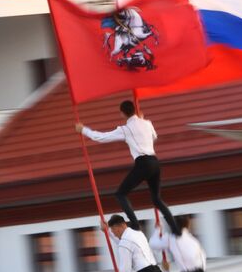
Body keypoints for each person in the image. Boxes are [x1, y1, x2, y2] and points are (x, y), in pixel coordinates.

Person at [76, 100, 180, 235]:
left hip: (143, 163)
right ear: (135, 110)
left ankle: (136, 227)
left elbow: (100, 137)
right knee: (157, 199)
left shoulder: (125, 129)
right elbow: (154, 136)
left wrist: (83, 129)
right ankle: (176, 230)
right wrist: (142, 122)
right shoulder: (147, 123)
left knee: (120, 194)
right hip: (154, 162)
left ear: (122, 113)